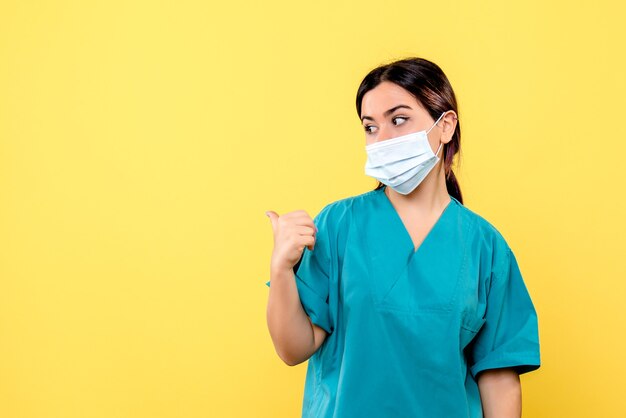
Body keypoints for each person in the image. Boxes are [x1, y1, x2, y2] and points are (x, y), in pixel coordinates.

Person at [264, 57, 541, 418]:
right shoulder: (338, 225)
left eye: (398, 120)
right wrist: (282, 268)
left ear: (446, 126)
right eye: (370, 127)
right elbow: (294, 349)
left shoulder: (485, 247)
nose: (382, 139)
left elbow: (498, 376)